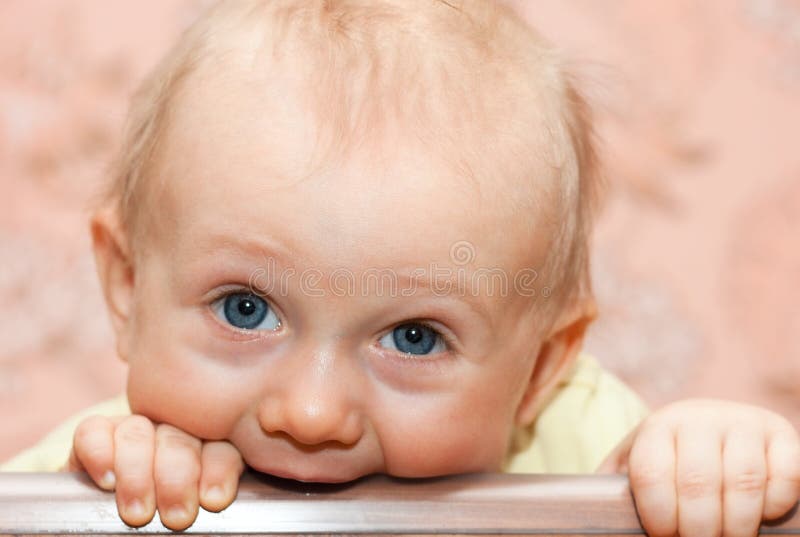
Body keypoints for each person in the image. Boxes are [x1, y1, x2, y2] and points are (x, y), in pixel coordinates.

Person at [3, 1, 799, 535]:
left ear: (540, 371)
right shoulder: (108, 467)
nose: (311, 413)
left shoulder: (588, 442)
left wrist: (703, 471)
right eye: (245, 308)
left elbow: (677, 475)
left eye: (414, 336)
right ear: (129, 287)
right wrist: (101, 511)